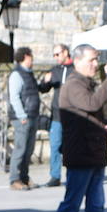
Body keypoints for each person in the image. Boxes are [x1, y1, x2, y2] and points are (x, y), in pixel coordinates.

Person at [41, 43, 107, 212]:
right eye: (91, 60)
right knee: (72, 203)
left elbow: (89, 114)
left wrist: (105, 125)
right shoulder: (73, 85)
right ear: (77, 61)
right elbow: (92, 103)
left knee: (96, 204)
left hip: (93, 152)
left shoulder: (85, 83)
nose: (96, 64)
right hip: (81, 153)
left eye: (97, 59)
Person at [6, 46, 41, 190]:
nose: (32, 59)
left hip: (31, 115)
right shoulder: (16, 75)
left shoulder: (29, 73)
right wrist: (22, 116)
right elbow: (14, 97)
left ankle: (25, 177)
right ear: (25, 57)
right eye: (31, 56)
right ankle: (15, 179)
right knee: (20, 149)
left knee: (29, 149)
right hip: (22, 117)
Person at [41, 43, 73, 187]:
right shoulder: (54, 71)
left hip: (73, 115)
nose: (55, 57)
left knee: (71, 147)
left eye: (57, 54)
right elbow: (43, 89)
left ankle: (73, 175)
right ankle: (55, 176)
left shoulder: (76, 69)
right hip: (57, 116)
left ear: (65, 52)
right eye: (54, 55)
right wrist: (45, 81)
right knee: (55, 145)